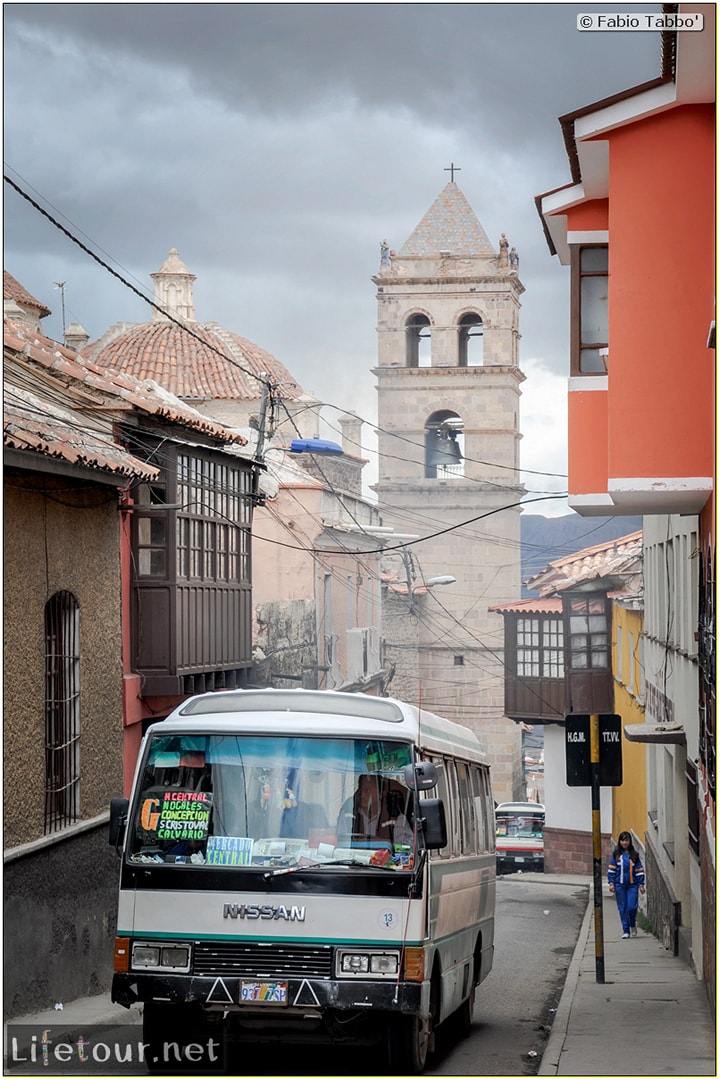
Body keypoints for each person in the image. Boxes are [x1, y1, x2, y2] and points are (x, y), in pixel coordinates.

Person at [607, 831, 645, 938]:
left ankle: (632, 924)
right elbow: (612, 870)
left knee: (632, 907)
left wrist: (641, 884)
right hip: (620, 886)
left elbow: (639, 870)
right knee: (622, 908)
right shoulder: (616, 855)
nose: (624, 842)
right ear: (619, 841)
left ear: (629, 841)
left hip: (632, 886)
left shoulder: (634, 855)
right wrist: (611, 883)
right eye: (622, 840)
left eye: (626, 840)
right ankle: (625, 930)